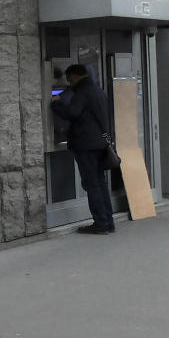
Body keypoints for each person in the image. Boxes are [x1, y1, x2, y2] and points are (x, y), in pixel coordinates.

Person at [51, 63, 115, 234]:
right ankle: (108, 221)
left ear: (74, 77)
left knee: (92, 184)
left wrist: (55, 103)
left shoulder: (82, 92)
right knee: (100, 183)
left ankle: (100, 223)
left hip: (86, 145)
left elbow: (72, 113)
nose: (68, 82)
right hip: (100, 143)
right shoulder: (97, 90)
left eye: (69, 79)